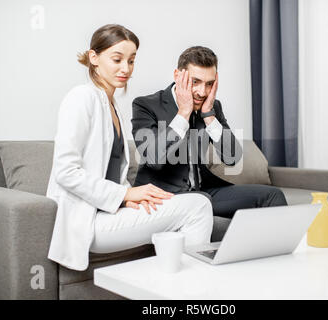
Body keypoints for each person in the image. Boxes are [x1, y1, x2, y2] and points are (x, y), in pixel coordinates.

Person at [46, 25, 213, 271]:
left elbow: (109, 173)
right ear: (94, 58)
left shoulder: (113, 107)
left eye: (131, 61)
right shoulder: (82, 97)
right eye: (117, 59)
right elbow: (66, 172)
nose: (126, 69)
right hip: (86, 221)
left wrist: (127, 198)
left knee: (193, 204)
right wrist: (125, 195)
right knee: (198, 206)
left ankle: (176, 281)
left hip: (106, 212)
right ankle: (191, 289)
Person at [132, 46, 287, 219]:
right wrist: (183, 112)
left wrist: (209, 116)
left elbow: (232, 157)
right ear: (178, 76)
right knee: (201, 202)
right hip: (165, 196)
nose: (202, 92)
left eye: (209, 84)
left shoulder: (212, 107)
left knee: (273, 195)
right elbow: (154, 160)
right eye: (195, 82)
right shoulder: (145, 105)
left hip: (202, 191)